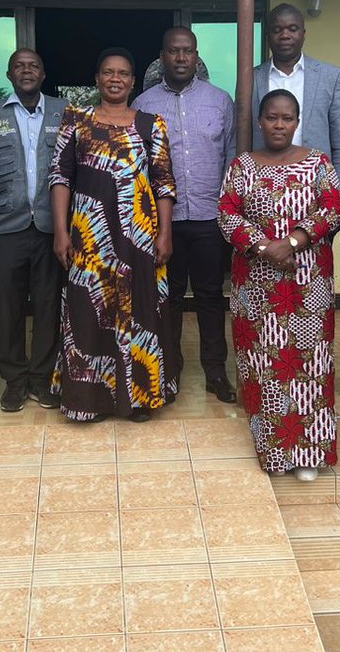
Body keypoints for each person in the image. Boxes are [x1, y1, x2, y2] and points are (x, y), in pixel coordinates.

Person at [219, 89, 340, 480]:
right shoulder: (243, 166)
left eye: (287, 118)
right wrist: (262, 247)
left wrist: (291, 241)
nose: (278, 125)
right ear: (260, 120)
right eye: (271, 117)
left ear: (297, 121)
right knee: (264, 367)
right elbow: (225, 211)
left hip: (308, 286)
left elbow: (333, 208)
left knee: (310, 366)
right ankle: (275, 451)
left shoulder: (318, 163)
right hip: (255, 289)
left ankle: (308, 453)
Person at [50, 47, 177, 422]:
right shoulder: (76, 120)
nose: (115, 79)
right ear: (97, 78)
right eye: (108, 72)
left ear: (133, 81)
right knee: (88, 311)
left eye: (123, 73)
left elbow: (164, 183)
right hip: (87, 240)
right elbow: (61, 178)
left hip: (138, 239)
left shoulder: (151, 124)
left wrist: (164, 234)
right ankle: (89, 400)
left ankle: (137, 398)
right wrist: (61, 231)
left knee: (139, 313)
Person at [135, 27, 237, 403]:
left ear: (197, 56)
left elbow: (231, 158)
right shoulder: (143, 104)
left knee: (212, 296)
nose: (181, 58)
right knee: (170, 298)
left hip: (211, 216)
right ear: (162, 56)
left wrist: (230, 213)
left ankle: (216, 373)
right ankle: (169, 373)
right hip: (166, 221)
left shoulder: (220, 101)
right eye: (174, 51)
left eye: (188, 51)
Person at [0, 48, 65, 413]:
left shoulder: (63, 112)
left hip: (50, 227)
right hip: (4, 227)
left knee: (48, 305)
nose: (27, 71)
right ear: (9, 73)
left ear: (43, 73)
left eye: (33, 65)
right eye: (19, 66)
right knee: (9, 307)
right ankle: (14, 381)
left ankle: (42, 378)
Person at [252, 4, 340, 211]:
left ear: (304, 34)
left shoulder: (331, 77)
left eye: (292, 28)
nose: (285, 35)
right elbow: (238, 139)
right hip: (261, 191)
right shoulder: (251, 78)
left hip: (317, 192)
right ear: (268, 35)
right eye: (277, 29)